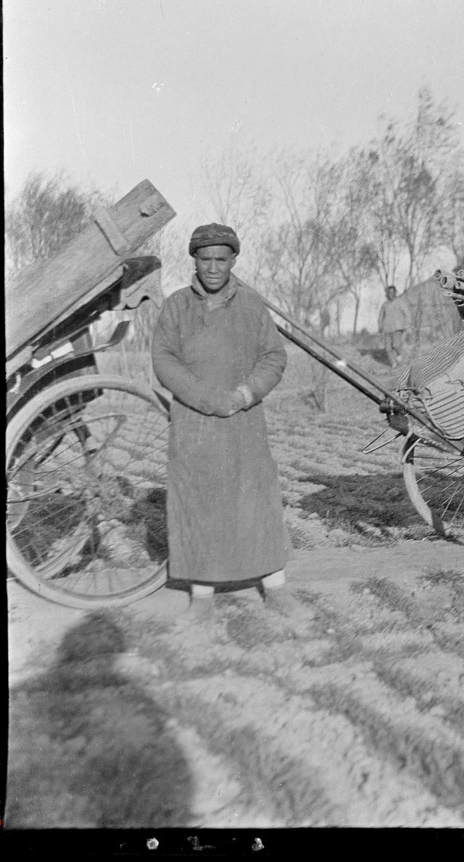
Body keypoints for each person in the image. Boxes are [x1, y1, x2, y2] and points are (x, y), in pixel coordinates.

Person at [151, 223, 308, 627]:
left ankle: (276, 589)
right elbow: (164, 360)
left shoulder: (253, 305)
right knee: (197, 503)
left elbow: (273, 358)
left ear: (234, 260)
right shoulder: (176, 306)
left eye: (222, 259)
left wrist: (243, 395)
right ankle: (202, 598)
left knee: (256, 500)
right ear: (194, 261)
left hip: (243, 421)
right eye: (205, 260)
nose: (214, 268)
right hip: (193, 423)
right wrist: (205, 399)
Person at [377, 285, 411, 369]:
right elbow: (380, 317)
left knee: (396, 345)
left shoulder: (399, 302)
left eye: (392, 292)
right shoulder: (385, 305)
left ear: (395, 293)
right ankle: (393, 363)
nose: (390, 294)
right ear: (387, 294)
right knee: (388, 348)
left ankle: (400, 356)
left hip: (397, 328)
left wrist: (406, 324)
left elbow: (407, 313)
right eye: (389, 292)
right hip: (387, 329)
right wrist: (380, 327)